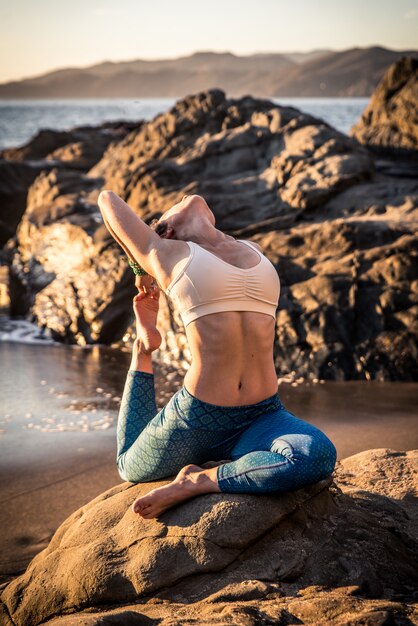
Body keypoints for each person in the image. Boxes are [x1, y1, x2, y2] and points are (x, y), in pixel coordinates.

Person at [97, 191, 337, 520]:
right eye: (175, 204)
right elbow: (107, 199)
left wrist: (204, 480)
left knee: (317, 455)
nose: (184, 195)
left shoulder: (254, 250)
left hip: (262, 415)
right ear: (167, 230)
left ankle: (200, 481)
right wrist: (142, 270)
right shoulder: (167, 253)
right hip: (197, 418)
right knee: (129, 466)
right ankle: (143, 348)